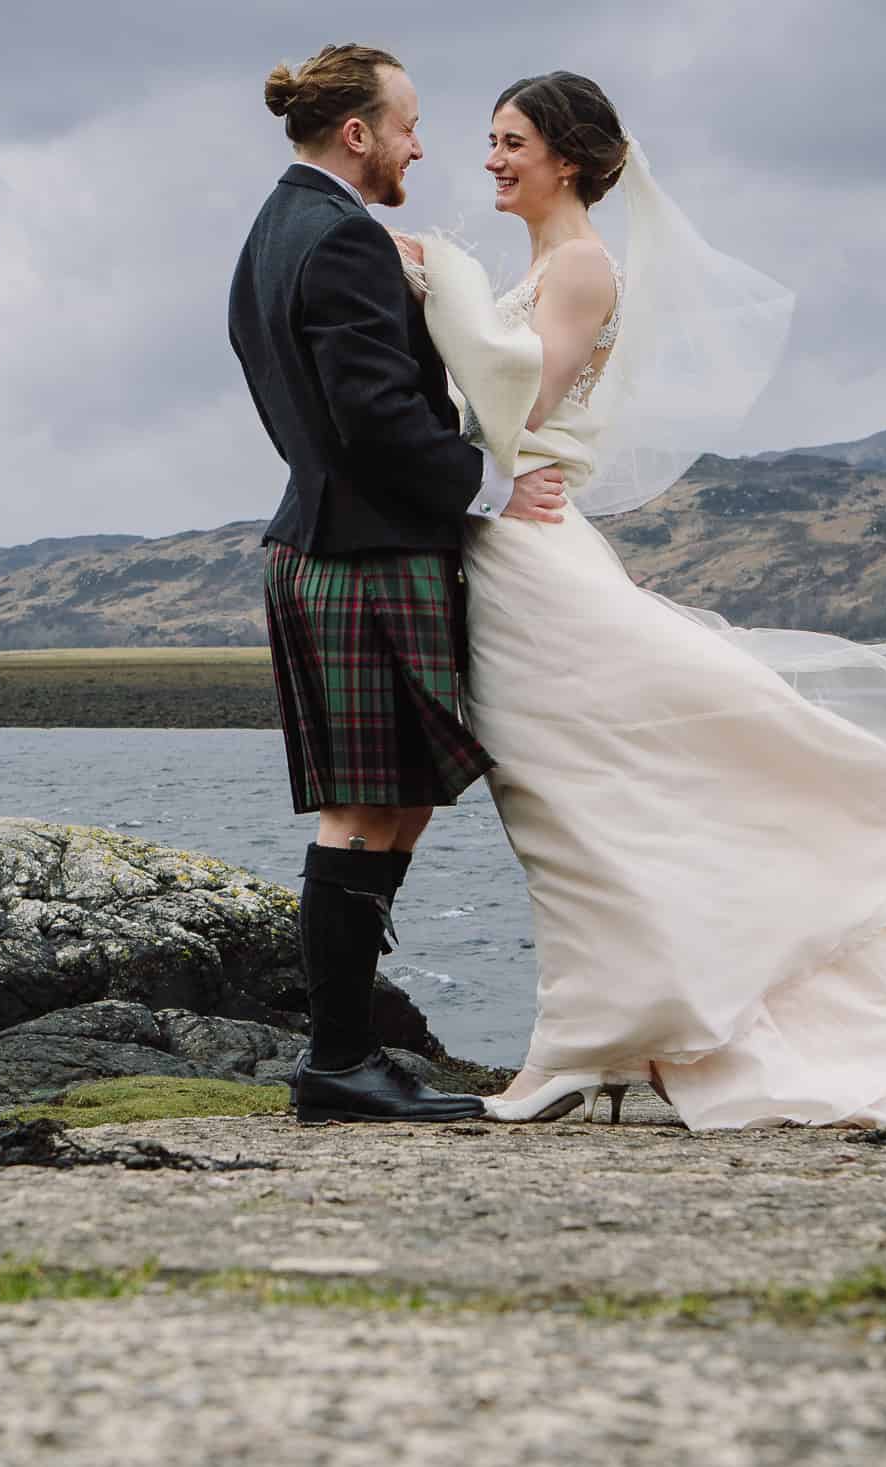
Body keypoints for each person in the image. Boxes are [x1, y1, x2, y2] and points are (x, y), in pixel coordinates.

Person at [407, 73, 886, 1134]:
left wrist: (441, 282)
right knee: (567, 807)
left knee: (571, 804)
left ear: (569, 157)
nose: (492, 159)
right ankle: (612, 1035)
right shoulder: (545, 263)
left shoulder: (585, 264)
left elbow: (522, 400)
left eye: (512, 142)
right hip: (510, 551)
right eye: (490, 140)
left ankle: (582, 1046)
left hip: (536, 558)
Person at [228, 44, 570, 1123]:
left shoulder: (277, 231)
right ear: (358, 134)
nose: (424, 146)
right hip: (361, 553)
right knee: (364, 810)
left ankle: (347, 1053)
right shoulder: (340, 240)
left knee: (400, 799)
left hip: (341, 542)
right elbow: (373, 413)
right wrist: (489, 487)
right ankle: (336, 1062)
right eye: (410, 125)